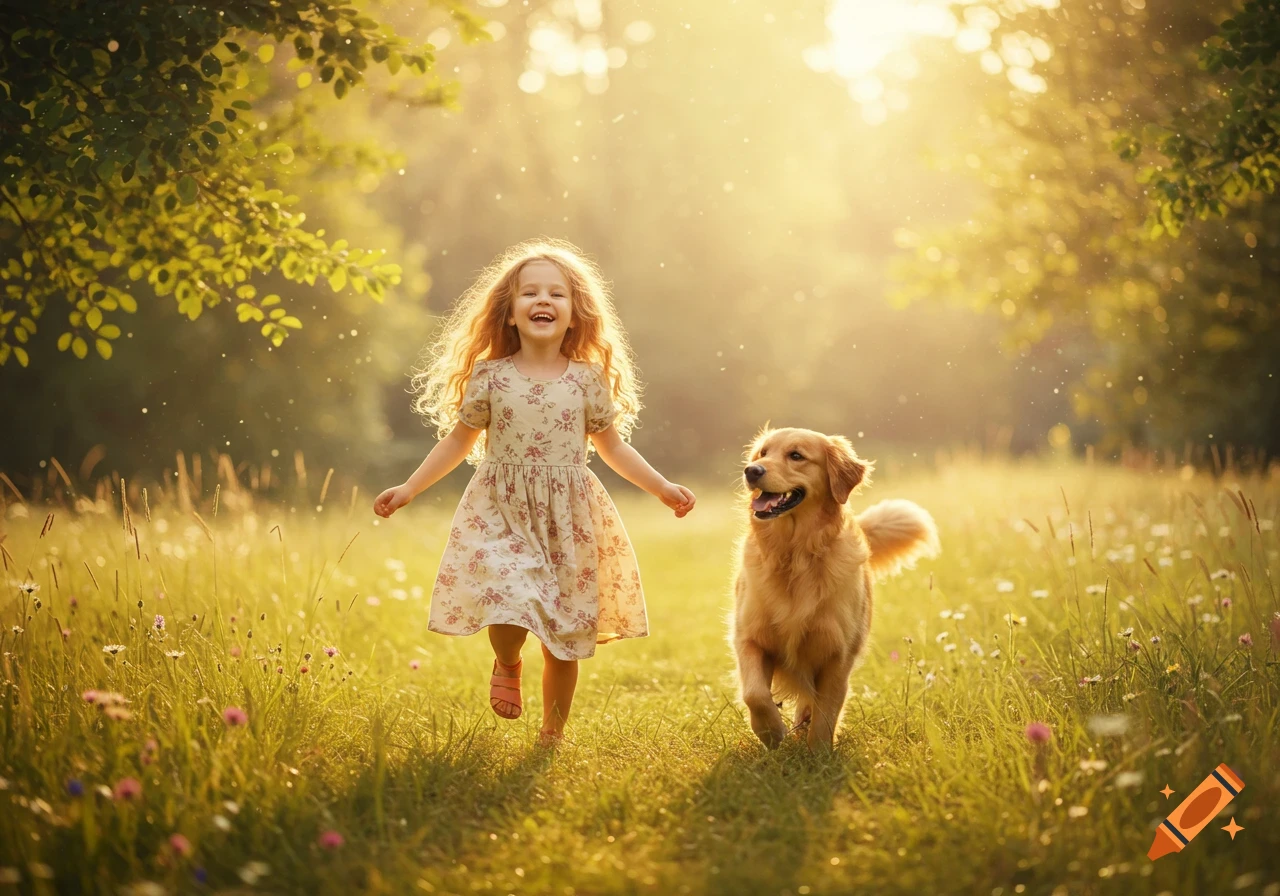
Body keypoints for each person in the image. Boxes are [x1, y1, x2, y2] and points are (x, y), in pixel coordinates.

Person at [374, 240, 696, 745]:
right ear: (510, 313)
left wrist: (661, 487)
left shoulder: (587, 381)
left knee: (565, 637)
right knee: (507, 595)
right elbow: (459, 441)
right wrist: (410, 487)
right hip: (501, 508)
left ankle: (553, 732)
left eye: (556, 294)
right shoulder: (491, 377)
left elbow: (612, 447)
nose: (542, 300)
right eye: (530, 292)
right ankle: (507, 660)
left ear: (574, 316)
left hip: (568, 517)